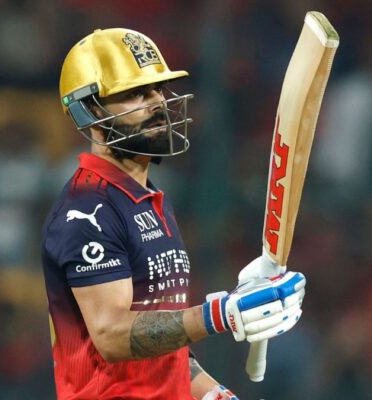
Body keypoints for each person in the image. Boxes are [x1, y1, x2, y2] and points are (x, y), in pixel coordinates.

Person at [41, 28, 306, 400]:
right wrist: (221, 314)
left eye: (158, 89)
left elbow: (163, 348)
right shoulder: (87, 208)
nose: (158, 103)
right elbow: (112, 335)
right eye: (136, 93)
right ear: (91, 110)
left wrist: (216, 396)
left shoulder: (151, 200)